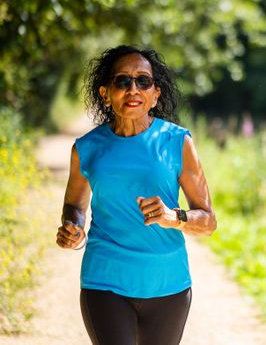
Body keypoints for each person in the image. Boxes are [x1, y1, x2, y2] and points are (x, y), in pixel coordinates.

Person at [56, 45, 217, 345]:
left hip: (169, 284)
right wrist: (73, 227)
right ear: (105, 93)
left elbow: (207, 221)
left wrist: (174, 216)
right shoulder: (87, 148)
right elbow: (74, 205)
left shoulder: (177, 142)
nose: (133, 89)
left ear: (155, 94)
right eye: (122, 81)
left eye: (143, 81)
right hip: (105, 281)